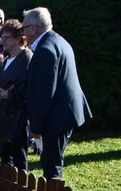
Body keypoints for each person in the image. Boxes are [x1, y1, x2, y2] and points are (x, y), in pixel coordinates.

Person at [24, 7, 92, 179]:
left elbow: (45, 93)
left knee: (51, 162)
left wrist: (36, 127)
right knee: (53, 159)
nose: (23, 33)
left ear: (33, 28)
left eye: (24, 28)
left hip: (56, 117)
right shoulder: (59, 41)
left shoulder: (46, 49)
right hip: (64, 112)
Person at [0, 20, 33, 170]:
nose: (2, 42)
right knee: (4, 157)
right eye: (1, 38)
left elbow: (26, 87)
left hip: (17, 116)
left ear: (17, 38)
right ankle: (6, 189)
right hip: (3, 116)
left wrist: (3, 94)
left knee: (18, 157)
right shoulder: (6, 59)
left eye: (5, 38)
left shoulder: (26, 57)